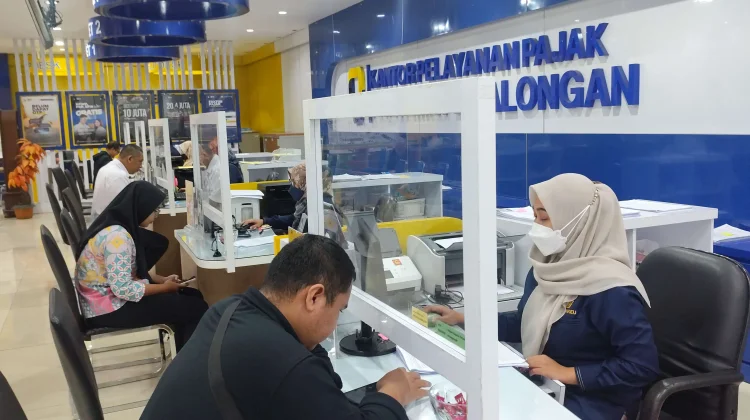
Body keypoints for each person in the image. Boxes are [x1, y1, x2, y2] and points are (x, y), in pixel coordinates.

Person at [425, 174, 660, 420]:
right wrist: (464, 319)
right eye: (535, 216)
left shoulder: (612, 289)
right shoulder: (548, 268)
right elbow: (524, 322)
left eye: (544, 217)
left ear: (579, 221)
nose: (536, 226)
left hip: (594, 400)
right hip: (546, 385)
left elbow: (641, 366)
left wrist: (568, 373)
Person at [141, 234, 428, 420]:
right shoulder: (282, 361)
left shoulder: (230, 308)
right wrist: (393, 393)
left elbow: (314, 378)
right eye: (339, 310)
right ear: (314, 297)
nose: (336, 323)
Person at [74, 181, 208, 351]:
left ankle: (183, 353)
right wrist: (165, 288)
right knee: (195, 308)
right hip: (106, 310)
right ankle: (189, 360)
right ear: (141, 208)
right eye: (154, 211)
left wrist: (162, 280)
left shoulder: (117, 228)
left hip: (102, 302)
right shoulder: (118, 238)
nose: (156, 215)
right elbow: (123, 289)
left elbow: (125, 273)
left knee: (192, 296)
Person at [242, 162, 336, 232]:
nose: (293, 186)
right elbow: (293, 219)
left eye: (295, 182)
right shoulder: (308, 201)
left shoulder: (321, 207)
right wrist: (264, 221)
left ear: (306, 182)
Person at [91, 144, 143, 218]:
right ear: (130, 159)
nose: (140, 166)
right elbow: (124, 209)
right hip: (107, 221)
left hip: (103, 218)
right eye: (140, 161)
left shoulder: (111, 167)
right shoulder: (117, 175)